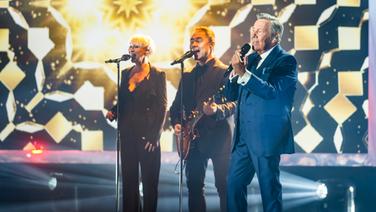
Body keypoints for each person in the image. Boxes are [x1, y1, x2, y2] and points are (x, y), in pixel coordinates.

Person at [225, 13, 298, 212]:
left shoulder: (285, 61)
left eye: (259, 31)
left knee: (269, 192)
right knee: (233, 186)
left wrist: (244, 73)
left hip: (266, 138)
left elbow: (273, 93)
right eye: (252, 31)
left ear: (274, 37)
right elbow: (231, 95)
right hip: (243, 139)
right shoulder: (251, 59)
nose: (253, 35)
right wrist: (233, 74)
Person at [169, 26, 236, 212]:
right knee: (194, 188)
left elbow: (236, 104)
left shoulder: (225, 72)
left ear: (211, 44)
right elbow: (175, 108)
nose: (193, 44)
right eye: (191, 40)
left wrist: (216, 110)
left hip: (220, 139)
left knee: (224, 187)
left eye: (198, 40)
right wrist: (176, 124)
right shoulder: (188, 75)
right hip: (193, 141)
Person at [106, 34, 167, 212]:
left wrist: (154, 137)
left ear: (147, 50)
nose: (131, 49)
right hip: (127, 135)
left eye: (136, 46)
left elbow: (162, 107)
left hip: (148, 137)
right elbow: (125, 101)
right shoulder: (125, 73)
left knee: (149, 185)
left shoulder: (157, 75)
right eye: (130, 46)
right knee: (129, 185)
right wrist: (114, 111)